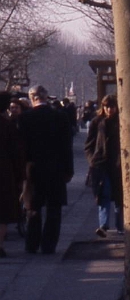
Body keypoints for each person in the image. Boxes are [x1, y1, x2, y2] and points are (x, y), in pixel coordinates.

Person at [20, 85, 74, 254]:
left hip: (33, 169)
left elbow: (22, 147)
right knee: (54, 209)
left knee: (33, 209)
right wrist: (68, 170)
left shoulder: (25, 118)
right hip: (56, 168)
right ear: (46, 97)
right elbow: (67, 146)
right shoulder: (60, 117)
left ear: (32, 98)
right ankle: (49, 245)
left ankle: (32, 244)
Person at [84, 95, 122, 236]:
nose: (109, 110)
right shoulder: (97, 122)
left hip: (118, 164)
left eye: (112, 107)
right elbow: (89, 144)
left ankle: (120, 226)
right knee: (104, 194)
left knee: (120, 196)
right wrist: (92, 160)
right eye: (107, 107)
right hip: (101, 163)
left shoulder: (121, 121)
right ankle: (103, 225)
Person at [0, 92, 25, 258]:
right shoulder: (7, 125)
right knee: (2, 213)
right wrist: (20, 177)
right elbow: (17, 153)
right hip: (4, 173)